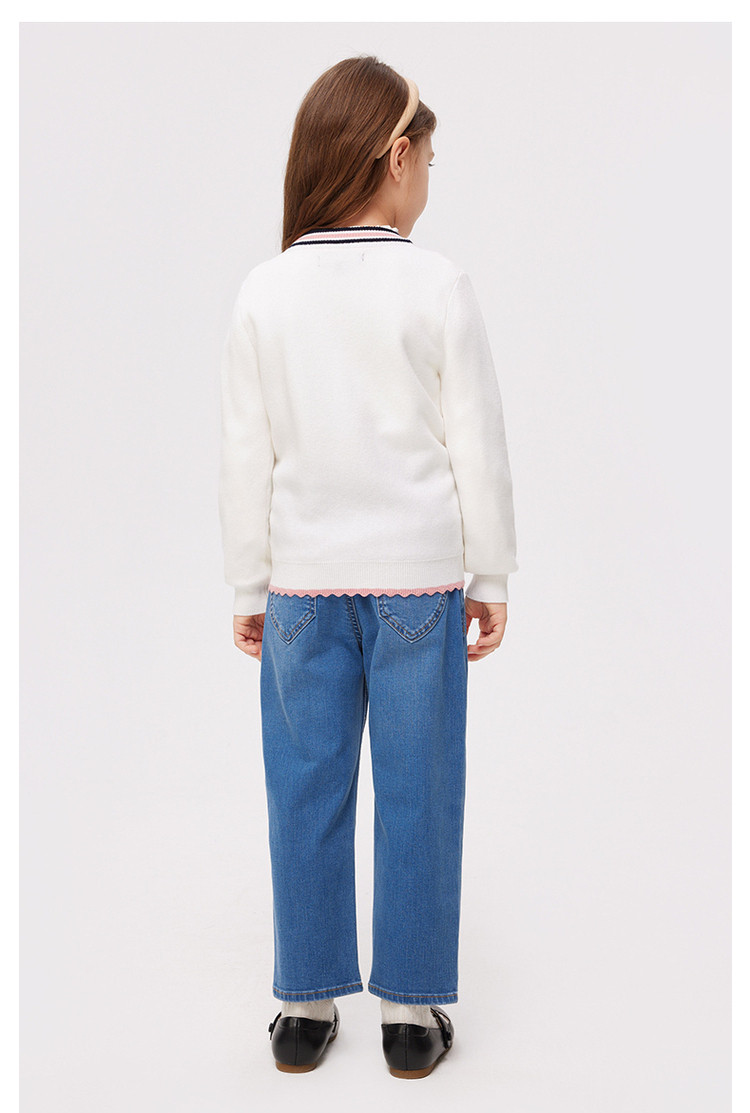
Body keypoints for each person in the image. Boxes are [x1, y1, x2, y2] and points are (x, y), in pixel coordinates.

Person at [218, 55, 518, 1077]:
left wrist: (249, 583)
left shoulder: (264, 291)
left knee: (303, 788)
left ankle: (304, 1006)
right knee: (419, 790)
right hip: (418, 587)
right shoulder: (436, 283)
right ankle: (409, 1012)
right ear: (396, 157)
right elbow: (476, 439)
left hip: (301, 587)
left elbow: (245, 450)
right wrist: (490, 575)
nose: (429, 178)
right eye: (429, 159)